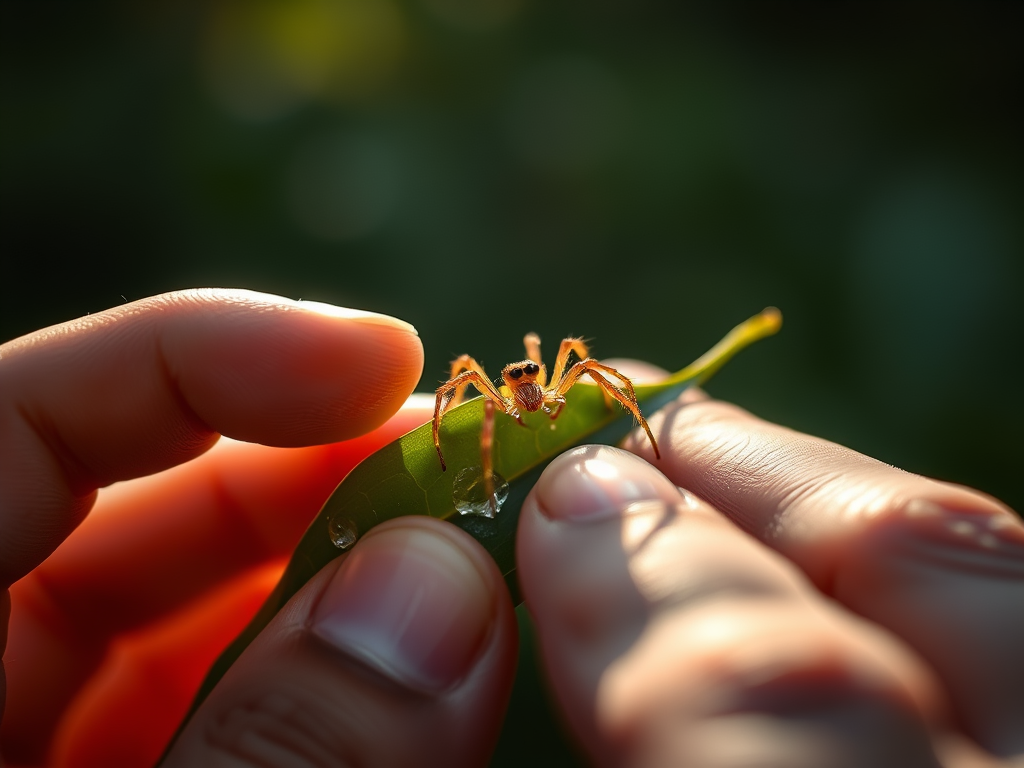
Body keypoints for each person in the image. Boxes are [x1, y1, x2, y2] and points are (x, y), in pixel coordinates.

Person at [1, 289, 1021, 768]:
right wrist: (470, 440)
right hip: (479, 464)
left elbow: (590, 367)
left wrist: (611, 405)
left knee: (608, 387)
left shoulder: (565, 372)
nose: (533, 386)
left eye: (539, 376)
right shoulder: (489, 397)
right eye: (523, 380)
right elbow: (458, 398)